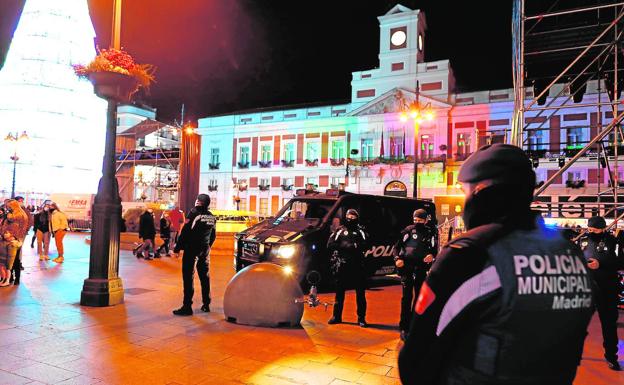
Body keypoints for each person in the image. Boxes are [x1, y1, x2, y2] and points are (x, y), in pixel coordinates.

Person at [399, 144, 594, 385]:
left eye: (465, 191)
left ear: (480, 189)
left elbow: (417, 355)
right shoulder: (570, 253)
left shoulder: (470, 253)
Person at [577, 216, 623, 371]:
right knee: (577, 323)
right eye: (589, 229)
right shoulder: (584, 240)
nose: (591, 232)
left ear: (603, 228)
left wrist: (601, 264)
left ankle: (611, 356)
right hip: (586, 288)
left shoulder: (613, 242)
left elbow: (621, 262)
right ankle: (574, 352)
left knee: (609, 325)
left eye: (595, 230)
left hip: (607, 289)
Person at [394, 208, 437, 341]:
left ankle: (414, 324)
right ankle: (404, 326)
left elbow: (435, 249)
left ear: (425, 220)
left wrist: (432, 256)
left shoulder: (430, 233)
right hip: (407, 268)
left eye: (420, 220)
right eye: (415, 220)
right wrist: (397, 259)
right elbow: (396, 247)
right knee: (406, 298)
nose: (417, 222)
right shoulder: (407, 231)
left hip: (421, 269)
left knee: (419, 297)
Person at [172, 194, 217, 316]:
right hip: (205, 249)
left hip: (192, 249)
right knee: (204, 276)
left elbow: (185, 232)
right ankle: (206, 304)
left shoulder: (194, 213)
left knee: (188, 276)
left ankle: (187, 306)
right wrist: (207, 246)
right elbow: (213, 235)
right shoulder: (212, 217)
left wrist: (177, 249)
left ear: (199, 202)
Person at [327, 208, 369, 327]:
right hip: (343, 264)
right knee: (339, 292)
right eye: (348, 217)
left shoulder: (360, 231)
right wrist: (343, 246)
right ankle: (336, 316)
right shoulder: (340, 230)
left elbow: (367, 244)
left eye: (353, 217)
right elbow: (330, 244)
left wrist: (355, 246)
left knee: (360, 294)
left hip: (357, 265)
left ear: (356, 218)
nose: (350, 219)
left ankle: (361, 318)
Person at [0, 199, 29, 285]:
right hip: (12, 239)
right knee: (8, 261)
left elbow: (11, 219)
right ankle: (10, 279)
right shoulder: (18, 213)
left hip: (14, 240)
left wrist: (13, 236)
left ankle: (14, 279)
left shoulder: (18, 214)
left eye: (9, 206)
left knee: (13, 261)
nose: (7, 208)